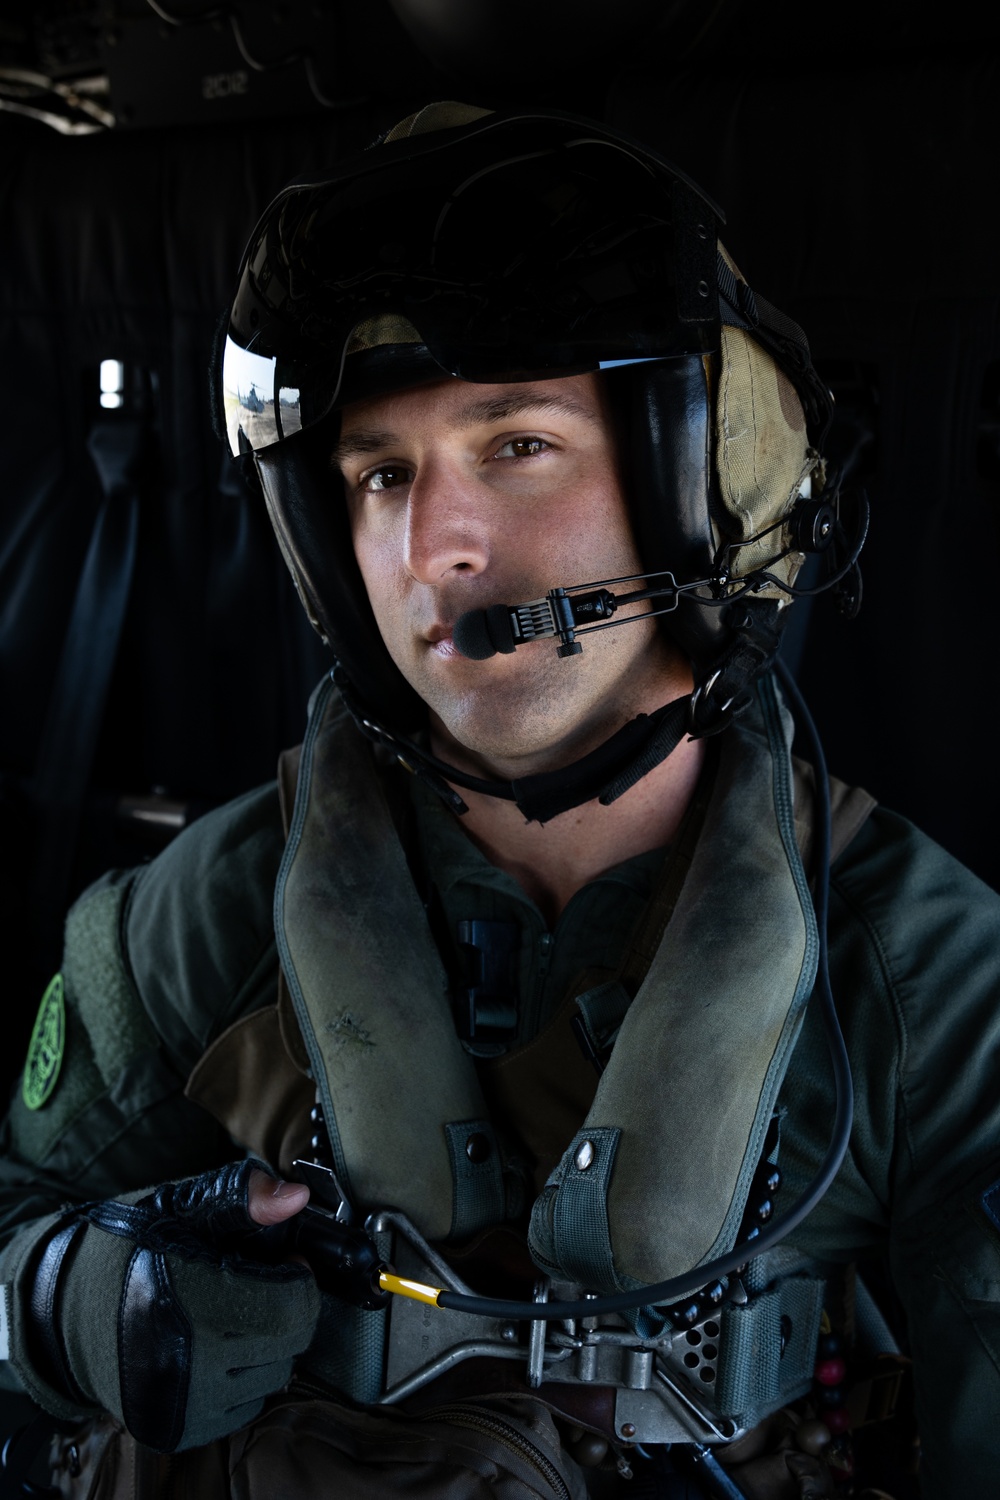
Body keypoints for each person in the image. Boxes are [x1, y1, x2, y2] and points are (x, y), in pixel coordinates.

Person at [1, 101, 999, 1500]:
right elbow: (17, 1223)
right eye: (381, 473)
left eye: (517, 443)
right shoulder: (211, 917)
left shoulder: (929, 982)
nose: (432, 548)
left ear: (705, 481)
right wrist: (59, 1295)